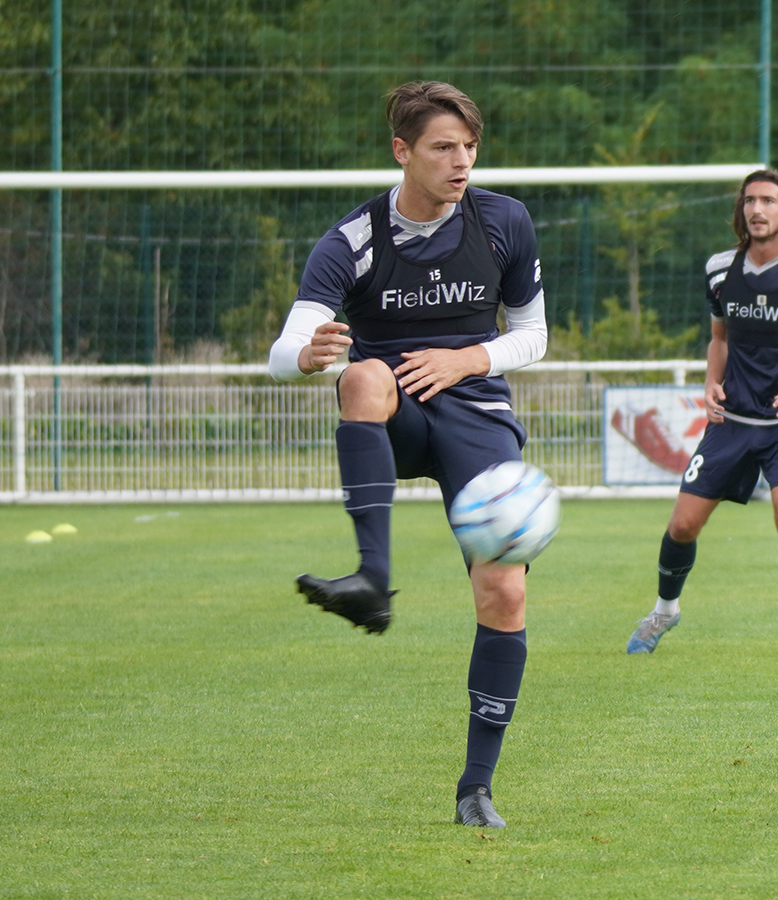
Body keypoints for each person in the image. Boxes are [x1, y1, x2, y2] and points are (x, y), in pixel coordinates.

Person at [268, 81, 547, 828]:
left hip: (477, 414)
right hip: (396, 412)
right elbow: (285, 346)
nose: (462, 162)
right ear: (402, 151)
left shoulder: (504, 221)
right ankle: (372, 579)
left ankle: (476, 789)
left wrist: (466, 360)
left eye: (469, 147)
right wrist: (304, 357)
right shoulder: (353, 239)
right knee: (359, 374)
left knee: (505, 594)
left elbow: (533, 335)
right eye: (443, 148)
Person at [625, 169, 778, 657]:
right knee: (682, 526)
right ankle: (664, 611)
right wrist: (711, 382)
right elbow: (720, 339)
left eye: (768, 201)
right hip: (731, 422)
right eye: (750, 200)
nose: (756, 209)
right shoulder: (719, 269)